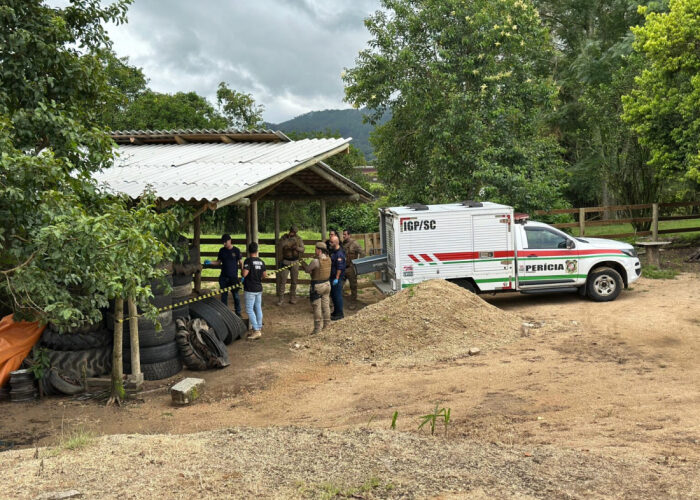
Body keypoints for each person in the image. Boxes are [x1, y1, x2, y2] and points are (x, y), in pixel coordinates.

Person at [204, 234, 242, 316]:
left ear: (230, 240)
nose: (224, 244)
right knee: (224, 296)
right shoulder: (222, 250)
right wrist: (210, 262)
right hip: (223, 277)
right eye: (223, 242)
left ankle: (238, 313)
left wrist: (243, 274)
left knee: (236, 296)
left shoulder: (236, 250)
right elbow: (218, 262)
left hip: (233, 277)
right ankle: (225, 314)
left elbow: (241, 262)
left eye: (225, 242)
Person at [301, 242, 332, 334]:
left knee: (317, 306)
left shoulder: (316, 261)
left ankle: (317, 329)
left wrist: (302, 262)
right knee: (326, 306)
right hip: (327, 284)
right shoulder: (329, 259)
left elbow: (307, 270)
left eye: (316, 249)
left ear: (319, 250)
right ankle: (327, 326)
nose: (315, 251)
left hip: (318, 286)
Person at [241, 242, 267, 340]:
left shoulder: (248, 261)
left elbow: (244, 274)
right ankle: (259, 327)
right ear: (257, 250)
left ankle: (256, 330)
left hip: (250, 289)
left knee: (249, 309)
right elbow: (264, 275)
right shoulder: (261, 261)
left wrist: (242, 269)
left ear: (249, 251)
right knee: (258, 308)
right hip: (258, 288)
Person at [275, 225, 305, 305]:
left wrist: (296, 248)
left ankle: (293, 298)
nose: (293, 233)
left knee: (294, 281)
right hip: (285, 261)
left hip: (295, 261)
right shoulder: (284, 238)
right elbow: (280, 246)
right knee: (283, 281)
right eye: (292, 231)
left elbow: (303, 249)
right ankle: (281, 299)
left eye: (294, 232)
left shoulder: (298, 239)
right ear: (290, 230)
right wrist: (288, 242)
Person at [342, 228, 365, 309]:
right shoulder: (342, 244)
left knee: (353, 286)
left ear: (349, 235)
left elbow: (362, 253)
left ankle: (353, 302)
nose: (343, 236)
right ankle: (341, 301)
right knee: (339, 284)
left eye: (345, 234)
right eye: (343, 234)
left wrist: (357, 263)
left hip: (351, 268)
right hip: (343, 267)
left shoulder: (355, 244)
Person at [329, 234, 346, 320]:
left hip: (337, 278)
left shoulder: (339, 254)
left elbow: (339, 267)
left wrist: (337, 278)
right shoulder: (334, 252)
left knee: (337, 295)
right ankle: (335, 311)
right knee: (334, 295)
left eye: (331, 242)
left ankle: (339, 314)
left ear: (335, 243)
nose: (330, 243)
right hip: (332, 276)